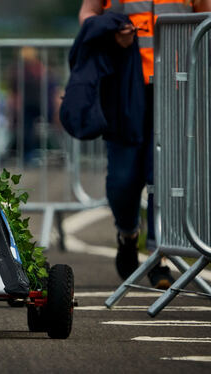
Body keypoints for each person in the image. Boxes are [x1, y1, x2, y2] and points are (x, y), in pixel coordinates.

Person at [77, 0, 211, 289]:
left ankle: (158, 255)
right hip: (124, 87)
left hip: (176, 84)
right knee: (123, 181)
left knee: (162, 174)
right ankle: (127, 234)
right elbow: (88, 14)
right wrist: (111, 34)